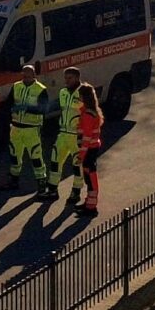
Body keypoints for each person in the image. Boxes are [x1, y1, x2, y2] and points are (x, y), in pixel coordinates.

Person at [4, 63, 53, 198]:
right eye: (24, 75)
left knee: (36, 157)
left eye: (28, 75)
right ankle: (14, 181)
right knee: (15, 156)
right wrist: (11, 110)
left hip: (32, 129)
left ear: (34, 75)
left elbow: (44, 109)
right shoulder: (16, 86)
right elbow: (8, 103)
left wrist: (27, 108)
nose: (25, 78)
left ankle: (41, 184)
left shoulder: (40, 89)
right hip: (16, 127)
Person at [48, 67, 85, 206]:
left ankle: (76, 191)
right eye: (66, 78)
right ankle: (52, 189)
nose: (66, 81)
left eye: (69, 78)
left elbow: (89, 114)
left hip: (76, 135)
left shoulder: (83, 92)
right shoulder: (63, 92)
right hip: (63, 133)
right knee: (55, 160)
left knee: (77, 164)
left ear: (76, 78)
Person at [76, 82, 104, 217]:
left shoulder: (88, 115)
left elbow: (86, 138)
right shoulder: (92, 112)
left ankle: (91, 207)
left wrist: (81, 155)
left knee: (90, 177)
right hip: (92, 148)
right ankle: (89, 203)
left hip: (89, 150)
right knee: (89, 175)